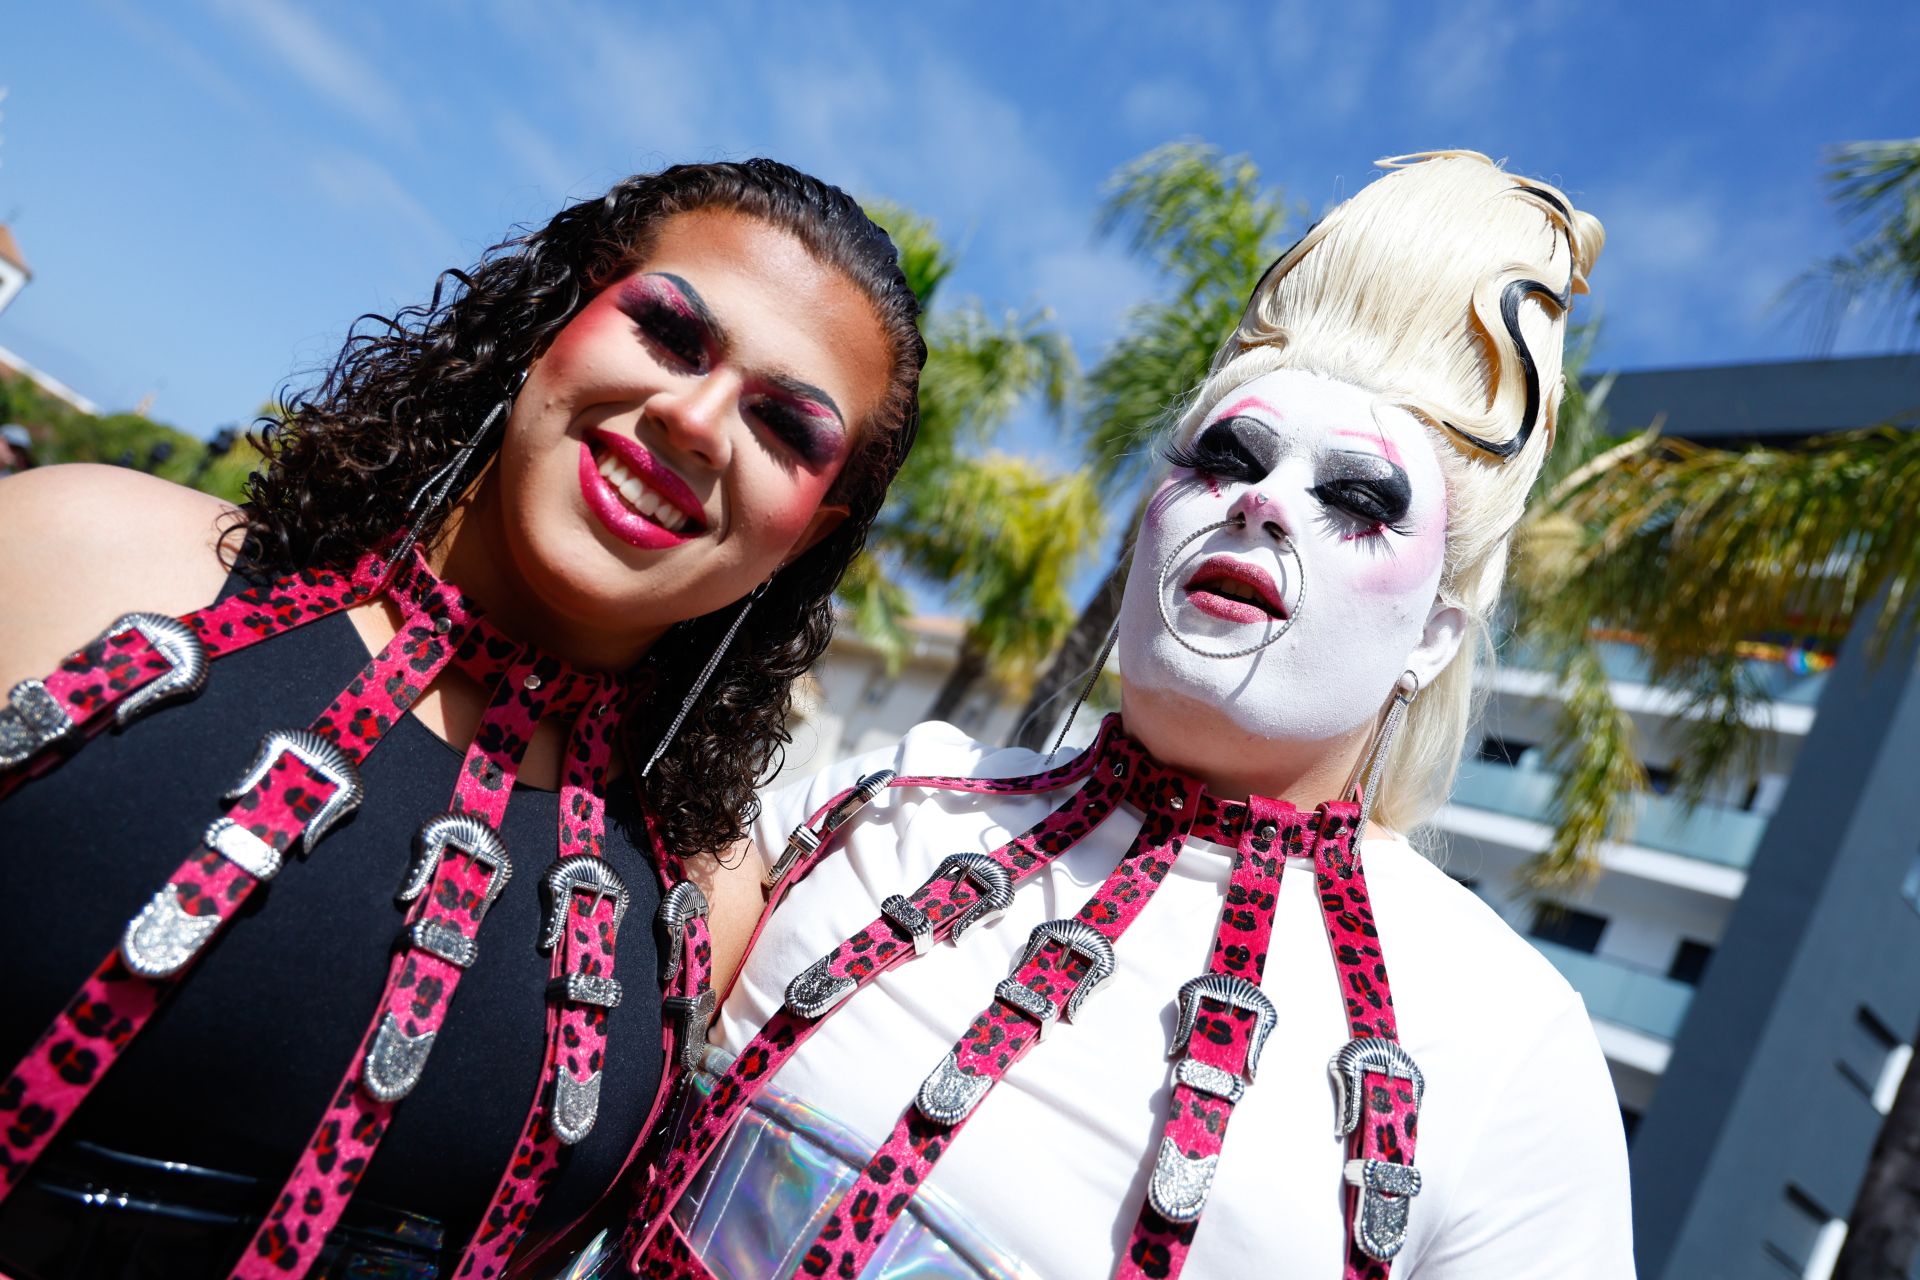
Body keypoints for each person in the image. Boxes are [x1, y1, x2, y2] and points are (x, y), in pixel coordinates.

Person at [586, 151, 1631, 1280]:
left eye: (1359, 499)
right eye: (1226, 455)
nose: (1263, 502)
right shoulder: (888, 795)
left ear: (1435, 630)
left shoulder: (1507, 1043)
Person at [0, 158, 925, 1279]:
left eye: (785, 424)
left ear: (811, 533)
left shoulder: (710, 903)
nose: (695, 418)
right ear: (557, 318)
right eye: (671, 335)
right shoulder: (82, 551)